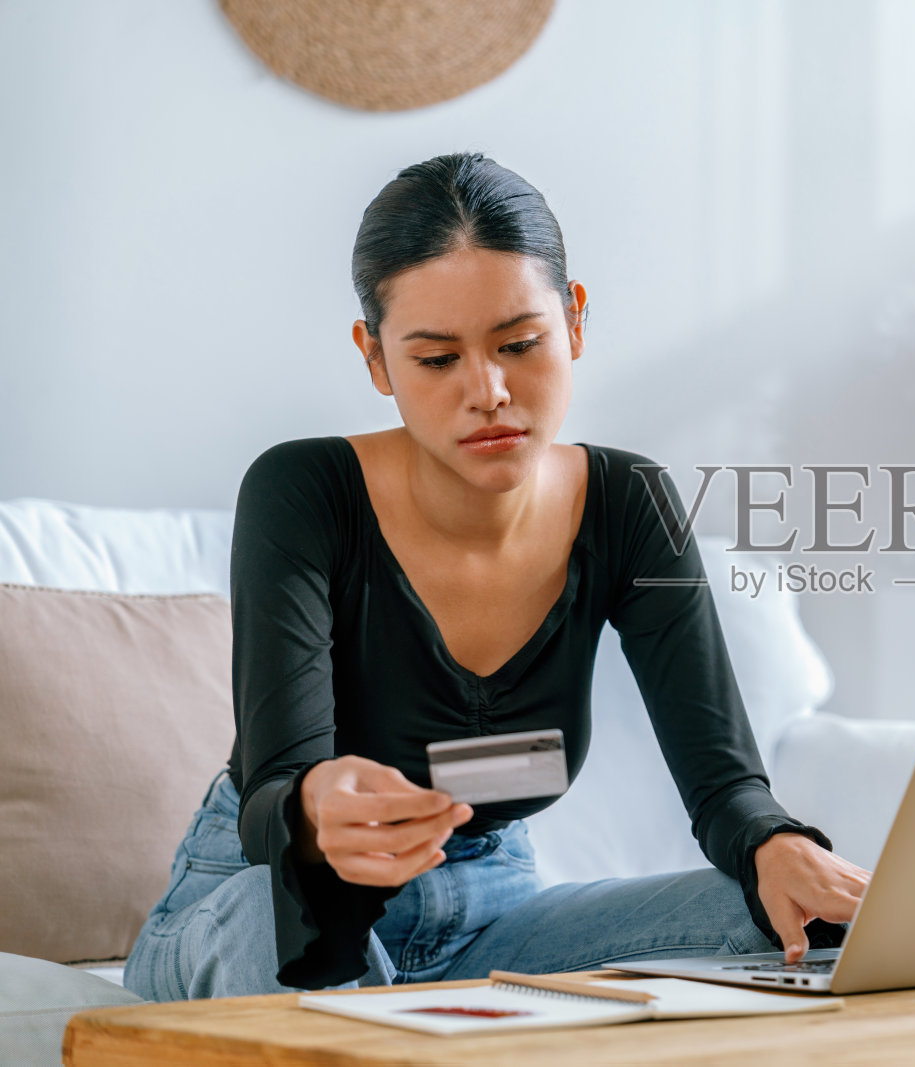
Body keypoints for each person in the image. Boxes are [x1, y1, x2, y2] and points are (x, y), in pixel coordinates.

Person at [124, 151, 870, 1001]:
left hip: (491, 909)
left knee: (794, 919)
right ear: (375, 360)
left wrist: (775, 842)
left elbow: (726, 785)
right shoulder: (302, 492)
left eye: (520, 343)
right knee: (292, 942)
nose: (488, 390)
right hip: (273, 902)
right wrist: (314, 808)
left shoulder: (630, 503)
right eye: (437, 359)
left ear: (576, 320)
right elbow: (271, 797)